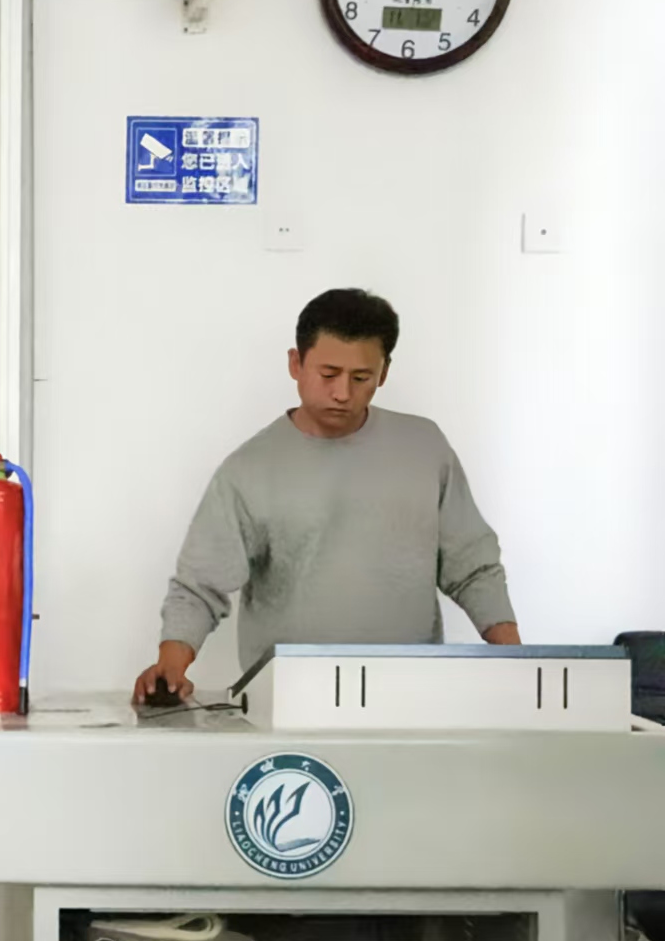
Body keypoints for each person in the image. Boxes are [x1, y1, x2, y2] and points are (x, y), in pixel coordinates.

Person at [134, 288, 521, 705]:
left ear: (384, 373)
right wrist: (171, 665)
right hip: (288, 700)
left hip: (411, 694)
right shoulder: (248, 470)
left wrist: (519, 661)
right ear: (295, 364)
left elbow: (472, 565)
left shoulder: (424, 447)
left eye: (360, 378)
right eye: (329, 374)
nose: (342, 393)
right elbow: (199, 586)